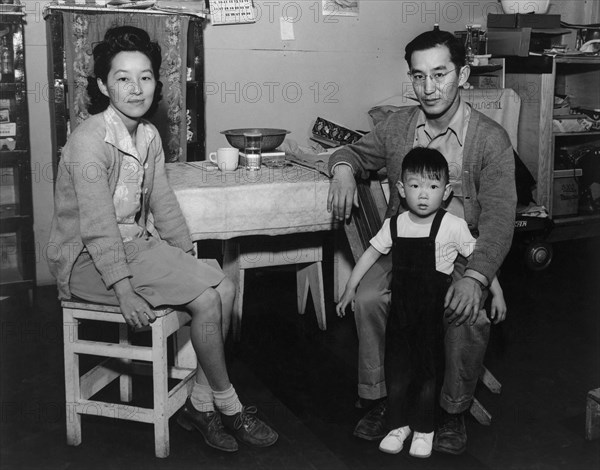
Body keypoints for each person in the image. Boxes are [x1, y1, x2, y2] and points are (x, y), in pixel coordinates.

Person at [48, 26, 278, 453]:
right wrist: (123, 291)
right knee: (208, 297)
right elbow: (98, 227)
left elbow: (164, 205)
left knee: (223, 286)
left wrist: (186, 259)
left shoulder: (148, 135)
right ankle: (229, 406)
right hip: (86, 260)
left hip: (134, 247)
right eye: (122, 78)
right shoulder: (88, 143)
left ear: (157, 81)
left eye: (146, 77)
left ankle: (199, 402)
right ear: (102, 85)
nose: (136, 89)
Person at [327, 28, 516, 454]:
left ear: (463, 74)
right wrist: (341, 168)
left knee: (466, 310)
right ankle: (380, 399)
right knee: (371, 297)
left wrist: (479, 276)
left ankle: (452, 409)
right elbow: (351, 153)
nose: (428, 89)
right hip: (406, 248)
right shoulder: (397, 127)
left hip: (460, 252)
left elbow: (502, 219)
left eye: (440, 74)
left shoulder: (490, 139)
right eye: (418, 76)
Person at [336, 148, 506, 458]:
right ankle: (398, 425)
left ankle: (425, 428)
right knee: (398, 367)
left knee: (428, 372)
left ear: (446, 192)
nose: (423, 195)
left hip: (431, 312)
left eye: (432, 186)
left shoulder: (452, 225)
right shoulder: (396, 225)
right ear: (401, 190)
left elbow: (477, 257)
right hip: (401, 312)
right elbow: (371, 254)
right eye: (415, 186)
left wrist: (498, 293)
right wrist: (350, 287)